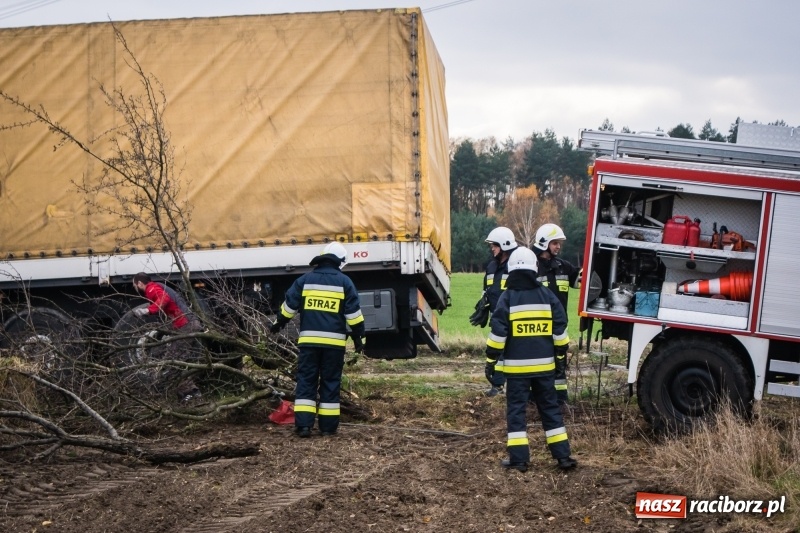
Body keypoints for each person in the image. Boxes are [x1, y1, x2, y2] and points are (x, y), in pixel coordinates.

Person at [485, 246, 577, 472]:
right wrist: (559, 357)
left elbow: (498, 334)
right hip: (545, 368)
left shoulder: (507, 298)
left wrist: (491, 361)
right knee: (550, 410)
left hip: (516, 371)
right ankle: (563, 457)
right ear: (534, 269)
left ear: (512, 270)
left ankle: (519, 460)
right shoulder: (547, 296)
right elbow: (560, 329)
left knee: (516, 412)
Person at [270, 242, 365, 438]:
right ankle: (328, 428)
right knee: (330, 382)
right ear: (340, 261)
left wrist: (279, 323)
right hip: (334, 345)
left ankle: (304, 427)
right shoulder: (345, 282)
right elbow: (353, 315)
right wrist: (358, 339)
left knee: (306, 381)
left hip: (309, 344)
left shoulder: (305, 280)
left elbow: (289, 306)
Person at [132, 272, 202, 401]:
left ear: (140, 283)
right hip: (188, 324)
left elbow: (163, 298)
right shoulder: (158, 286)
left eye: (135, 285)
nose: (135, 288)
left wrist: (147, 310)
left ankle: (190, 394)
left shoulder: (151, 288)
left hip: (185, 326)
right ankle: (189, 393)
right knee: (180, 359)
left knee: (173, 362)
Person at [532, 223, 581, 405]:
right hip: (538, 325)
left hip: (559, 325)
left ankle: (560, 399)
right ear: (544, 243)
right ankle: (535, 398)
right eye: (555, 243)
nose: (558, 247)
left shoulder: (563, 266)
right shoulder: (532, 266)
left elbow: (580, 280)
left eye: (559, 243)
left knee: (560, 361)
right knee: (537, 361)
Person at [477, 226, 518, 397]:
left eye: (494, 245)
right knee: (499, 351)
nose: (492, 248)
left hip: (514, 316)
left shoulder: (515, 265)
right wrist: (483, 305)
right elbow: (487, 289)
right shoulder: (492, 266)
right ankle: (498, 385)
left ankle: (517, 387)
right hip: (496, 316)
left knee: (515, 351)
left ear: (504, 245)